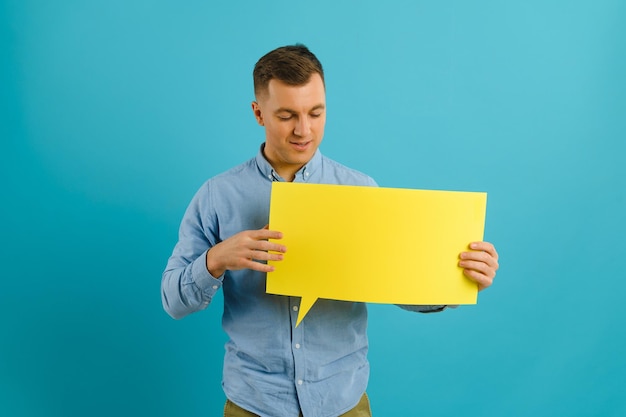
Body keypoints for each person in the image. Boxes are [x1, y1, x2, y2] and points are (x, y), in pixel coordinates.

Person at [162, 44, 499, 417]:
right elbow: (173, 302)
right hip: (254, 404)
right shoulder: (217, 195)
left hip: (344, 404)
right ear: (258, 113)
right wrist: (217, 259)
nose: (303, 130)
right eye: (287, 115)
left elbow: (395, 282)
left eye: (316, 113)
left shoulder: (360, 190)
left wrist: (455, 280)